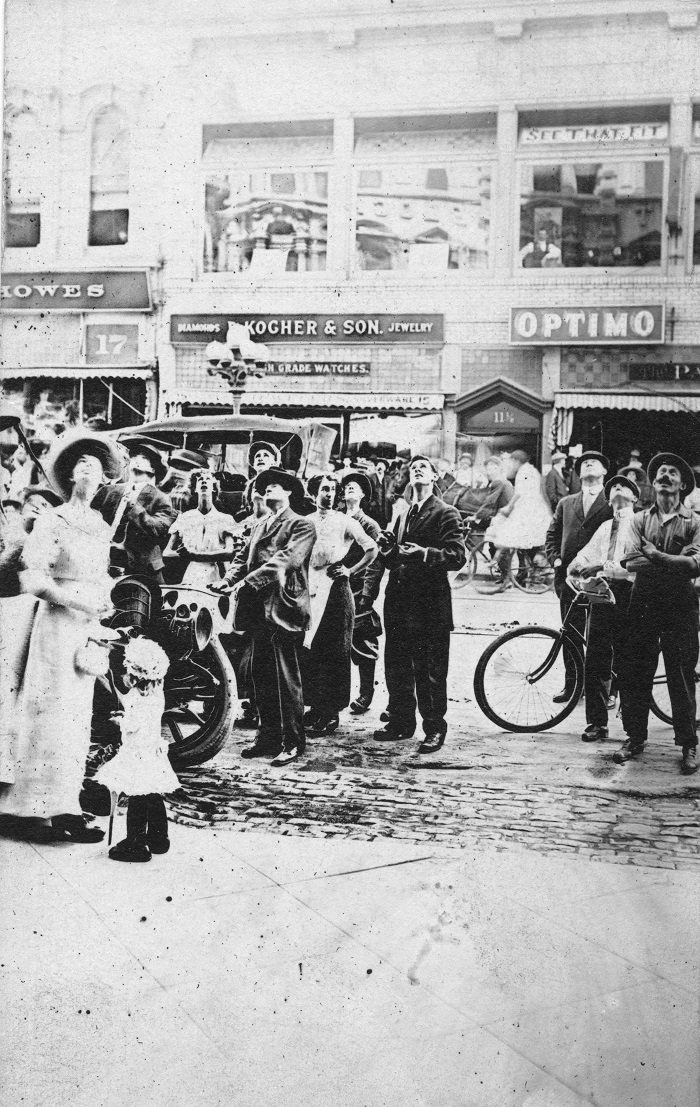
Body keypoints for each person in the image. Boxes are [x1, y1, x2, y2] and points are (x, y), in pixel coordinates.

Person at [0, 430, 121, 843]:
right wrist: (78, 602)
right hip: (56, 622)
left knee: (78, 716)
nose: (88, 468)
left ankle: (66, 802)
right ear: (70, 476)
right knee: (48, 712)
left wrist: (103, 604)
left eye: (97, 465)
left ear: (104, 479)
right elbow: (32, 576)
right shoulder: (54, 519)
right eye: (80, 463)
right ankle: (35, 808)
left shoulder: (101, 525)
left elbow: (101, 574)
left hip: (86, 625)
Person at [211, 467, 315, 766]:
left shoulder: (302, 525)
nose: (268, 490)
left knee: (286, 678)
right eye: (265, 486)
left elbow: (287, 560)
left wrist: (247, 581)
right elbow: (242, 557)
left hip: (284, 608)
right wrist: (228, 580)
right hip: (257, 610)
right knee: (261, 676)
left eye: (276, 486)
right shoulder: (259, 524)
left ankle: (293, 741)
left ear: (290, 492)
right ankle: (267, 736)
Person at [613, 453, 700, 774]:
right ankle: (635, 738)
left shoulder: (695, 521)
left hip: (681, 604)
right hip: (644, 601)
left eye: (672, 472)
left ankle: (688, 744)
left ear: (682, 484)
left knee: (681, 674)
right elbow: (630, 562)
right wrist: (670, 560)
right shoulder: (638, 519)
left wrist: (653, 553)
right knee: (637, 671)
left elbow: (695, 565)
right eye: (660, 472)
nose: (664, 476)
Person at [374, 455, 466, 753]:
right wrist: (388, 549)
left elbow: (456, 556)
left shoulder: (446, 512)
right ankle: (402, 723)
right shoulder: (404, 514)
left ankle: (434, 729)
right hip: (399, 603)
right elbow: (395, 559)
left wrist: (424, 554)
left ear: (435, 476)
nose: (417, 469)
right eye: (413, 467)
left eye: (423, 467)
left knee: (430, 671)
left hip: (429, 605)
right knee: (397, 666)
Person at [302, 473, 378, 735]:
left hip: (336, 591)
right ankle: (315, 708)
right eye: (324, 489)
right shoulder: (306, 521)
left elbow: (371, 549)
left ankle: (331, 714)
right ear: (313, 494)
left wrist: (349, 570)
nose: (330, 494)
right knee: (311, 649)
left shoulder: (344, 521)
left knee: (334, 652)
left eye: (334, 490)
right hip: (311, 587)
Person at [567, 475, 639, 743]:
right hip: (602, 594)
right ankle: (597, 723)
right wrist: (575, 564)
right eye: (613, 489)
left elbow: (633, 562)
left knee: (627, 659)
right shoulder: (605, 526)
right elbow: (587, 554)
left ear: (635, 497)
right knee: (595, 656)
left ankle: (633, 728)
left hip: (629, 594)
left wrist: (599, 567)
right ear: (608, 501)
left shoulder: (640, 524)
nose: (618, 490)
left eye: (625, 487)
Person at [96, 637, 179, 862]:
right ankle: (159, 838)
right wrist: (128, 717)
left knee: (137, 798)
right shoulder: (157, 695)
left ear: (134, 674)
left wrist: (119, 720)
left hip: (137, 755)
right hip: (152, 753)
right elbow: (145, 719)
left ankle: (136, 842)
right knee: (153, 796)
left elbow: (133, 724)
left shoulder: (135, 696)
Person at [545, 451, 613, 701]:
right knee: (570, 632)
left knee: (602, 635)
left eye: (595, 461)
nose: (588, 463)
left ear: (605, 472)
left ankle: (606, 689)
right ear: (578, 472)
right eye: (583, 463)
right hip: (569, 580)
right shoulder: (566, 502)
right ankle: (572, 686)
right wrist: (556, 560)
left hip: (601, 579)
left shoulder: (612, 501)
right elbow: (551, 535)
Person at [93, 444, 175, 581]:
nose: (136, 459)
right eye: (134, 457)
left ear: (152, 469)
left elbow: (158, 530)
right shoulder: (107, 491)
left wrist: (133, 505)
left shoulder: (161, 498)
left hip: (142, 568)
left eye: (143, 458)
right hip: (104, 560)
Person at [339, 471, 384, 714]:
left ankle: (366, 693)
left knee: (363, 641)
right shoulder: (336, 519)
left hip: (358, 590)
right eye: (347, 486)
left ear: (364, 495)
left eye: (355, 487)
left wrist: (368, 594)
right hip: (337, 588)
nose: (350, 489)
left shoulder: (369, 524)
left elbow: (375, 562)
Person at [482, 450, 552, 592]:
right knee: (519, 543)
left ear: (515, 461)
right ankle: (520, 572)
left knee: (504, 535)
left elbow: (519, 493)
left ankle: (497, 563)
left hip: (527, 512)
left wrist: (508, 508)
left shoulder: (523, 472)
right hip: (534, 511)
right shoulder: (531, 471)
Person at [163, 468, 239, 588]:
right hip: (191, 574)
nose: (204, 481)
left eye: (208, 479)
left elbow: (229, 552)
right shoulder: (185, 517)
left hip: (215, 575)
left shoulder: (225, 519)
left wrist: (194, 555)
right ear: (195, 488)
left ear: (213, 487)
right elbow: (167, 552)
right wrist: (183, 554)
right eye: (200, 479)